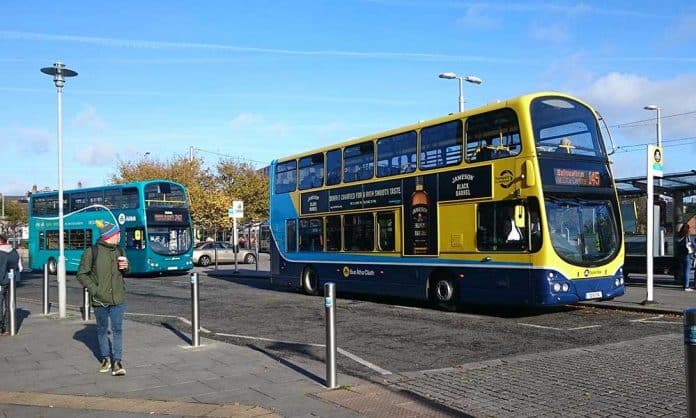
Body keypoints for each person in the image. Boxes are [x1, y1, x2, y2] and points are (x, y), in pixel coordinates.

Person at [76, 219, 130, 375]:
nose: (119, 237)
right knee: (102, 330)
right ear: (109, 236)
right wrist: (95, 290)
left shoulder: (120, 251)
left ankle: (118, 362)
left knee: (118, 329)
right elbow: (82, 274)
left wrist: (127, 267)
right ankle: (106, 358)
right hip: (100, 299)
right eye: (117, 234)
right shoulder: (92, 252)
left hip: (118, 298)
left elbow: (126, 271)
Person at [0, 234, 20, 335]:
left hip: (1, 281)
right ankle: (8, 327)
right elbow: (19, 268)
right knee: (9, 305)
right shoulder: (14, 252)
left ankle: (1, 327)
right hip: (12, 281)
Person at [676, 223, 695, 291]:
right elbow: (691, 244)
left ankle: (684, 285)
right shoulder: (687, 236)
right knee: (687, 271)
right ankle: (686, 286)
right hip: (687, 255)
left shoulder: (679, 236)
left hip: (681, 255)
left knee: (684, 271)